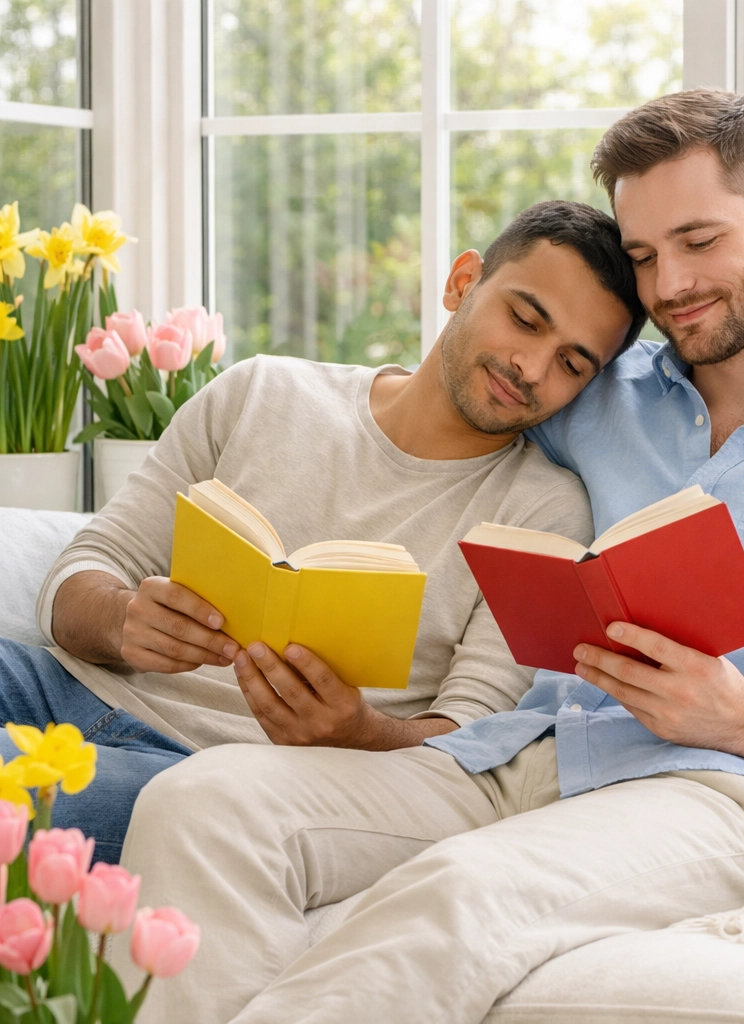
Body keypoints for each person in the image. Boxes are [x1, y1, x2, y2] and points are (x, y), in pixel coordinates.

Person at [117, 90, 744, 1024]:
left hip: (723, 791)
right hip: (520, 750)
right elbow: (455, 387)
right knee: (206, 802)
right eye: (645, 256)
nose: (668, 287)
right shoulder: (595, 387)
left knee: (458, 896)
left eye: (699, 242)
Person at [0, 200, 645, 863]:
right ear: (462, 283)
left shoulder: (542, 511)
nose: (532, 368)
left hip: (207, 774)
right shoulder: (260, 391)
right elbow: (86, 569)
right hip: (60, 684)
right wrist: (120, 619)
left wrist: (359, 732)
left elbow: (468, 738)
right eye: (524, 319)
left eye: (572, 364)